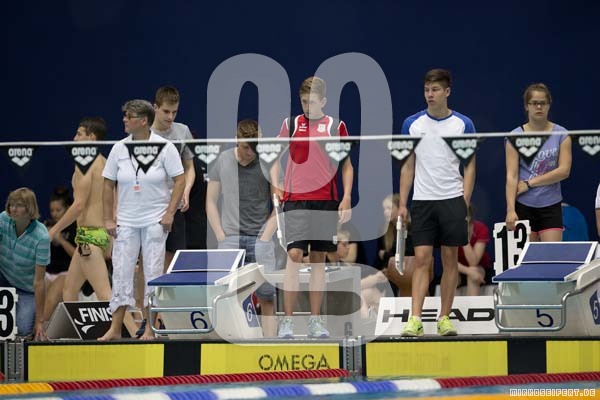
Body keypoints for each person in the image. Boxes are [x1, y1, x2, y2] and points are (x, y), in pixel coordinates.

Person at [271, 76, 353, 338]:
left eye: (312, 102)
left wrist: (347, 197)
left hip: (325, 200)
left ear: (324, 101)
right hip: (296, 200)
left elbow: (347, 165)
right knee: (294, 256)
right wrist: (276, 184)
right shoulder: (291, 124)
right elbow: (273, 158)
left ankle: (316, 321)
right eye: (304, 102)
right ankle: (287, 321)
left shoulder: (336, 126)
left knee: (318, 260)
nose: (307, 107)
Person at [398, 69, 476, 337]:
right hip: (422, 201)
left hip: (452, 199)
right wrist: (402, 202)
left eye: (435, 90)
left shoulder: (463, 124)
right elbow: (408, 165)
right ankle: (415, 319)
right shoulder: (412, 124)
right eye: (426, 90)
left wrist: (465, 200)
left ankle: (444, 318)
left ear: (447, 92)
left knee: (450, 259)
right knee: (421, 260)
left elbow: (470, 165)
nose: (430, 95)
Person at [99, 99, 184, 341]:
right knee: (121, 273)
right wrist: (108, 218)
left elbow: (179, 180)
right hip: (126, 221)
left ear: (143, 121)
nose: (124, 120)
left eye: (129, 116)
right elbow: (107, 184)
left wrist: (169, 213)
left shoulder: (165, 148)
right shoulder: (119, 149)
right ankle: (115, 329)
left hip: (155, 221)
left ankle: (150, 328)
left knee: (153, 274)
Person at [47, 118, 137, 336]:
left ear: (92, 138)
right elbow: (113, 203)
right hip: (96, 236)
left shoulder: (84, 166)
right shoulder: (104, 162)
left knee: (105, 293)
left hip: (89, 238)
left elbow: (78, 206)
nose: (74, 138)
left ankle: (136, 334)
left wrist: (54, 230)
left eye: (79, 134)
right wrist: (111, 238)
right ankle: (78, 335)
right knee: (69, 290)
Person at [206, 119, 277, 337]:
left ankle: (270, 343)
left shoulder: (269, 161)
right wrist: (220, 234)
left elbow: (279, 204)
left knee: (267, 296)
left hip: (260, 238)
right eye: (246, 147)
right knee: (226, 296)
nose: (251, 152)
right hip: (230, 238)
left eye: (255, 146)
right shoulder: (222, 160)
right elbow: (210, 200)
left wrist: (265, 237)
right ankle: (232, 341)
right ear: (237, 140)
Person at [505, 83, 572, 242]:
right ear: (526, 106)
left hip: (551, 204)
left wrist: (529, 183)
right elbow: (511, 176)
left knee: (552, 254)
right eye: (534, 103)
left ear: (549, 105)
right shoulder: (515, 136)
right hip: (524, 205)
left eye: (543, 103)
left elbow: (564, 171)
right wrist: (510, 209)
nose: (539, 107)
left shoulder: (561, 134)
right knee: (528, 255)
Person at [151, 86, 196, 269]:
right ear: (155, 107)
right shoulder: (144, 134)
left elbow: (190, 167)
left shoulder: (183, 131)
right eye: (166, 111)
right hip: (150, 207)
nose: (170, 117)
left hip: (174, 205)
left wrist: (186, 190)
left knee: (172, 259)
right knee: (148, 258)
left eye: (174, 112)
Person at [0, 188, 49, 339]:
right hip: (3, 278)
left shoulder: (41, 237)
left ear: (30, 208)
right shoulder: (3, 219)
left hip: (27, 289)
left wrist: (40, 321)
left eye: (19, 205)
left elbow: (39, 282)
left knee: (22, 329)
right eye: (11, 204)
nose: (13, 209)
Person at [43, 186, 76, 322]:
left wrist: (61, 240)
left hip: (66, 272)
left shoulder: (75, 227)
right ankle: (35, 326)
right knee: (36, 296)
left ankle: (38, 329)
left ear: (68, 209)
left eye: (58, 210)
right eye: (52, 210)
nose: (54, 214)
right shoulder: (47, 225)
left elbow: (77, 255)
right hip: (48, 271)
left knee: (51, 299)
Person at [457, 206, 492, 296]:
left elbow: (473, 262)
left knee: (474, 274)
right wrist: (468, 271)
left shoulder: (481, 229)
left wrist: (464, 238)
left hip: (480, 268)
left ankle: (472, 304)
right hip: (458, 268)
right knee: (450, 275)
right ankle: (448, 305)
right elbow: (449, 262)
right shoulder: (449, 230)